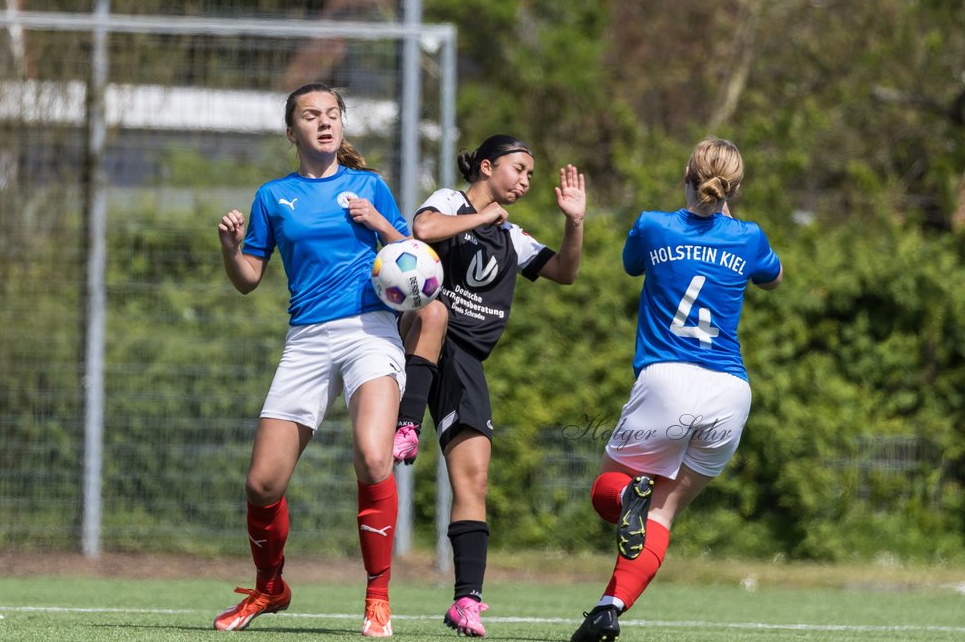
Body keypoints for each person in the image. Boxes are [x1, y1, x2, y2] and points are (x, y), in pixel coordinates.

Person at [213, 82, 409, 638]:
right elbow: (249, 280)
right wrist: (230, 249)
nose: (324, 123)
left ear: (342, 125)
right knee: (262, 484)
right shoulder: (274, 197)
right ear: (292, 131)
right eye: (310, 116)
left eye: (332, 115)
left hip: (370, 331)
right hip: (306, 339)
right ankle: (270, 586)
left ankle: (377, 597)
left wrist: (382, 225)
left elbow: (414, 260)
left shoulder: (369, 186)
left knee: (373, 459)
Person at [569, 137, 783, 642]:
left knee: (609, 495)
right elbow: (773, 279)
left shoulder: (652, 225)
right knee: (663, 511)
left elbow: (631, 265)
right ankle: (609, 607)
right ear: (735, 185)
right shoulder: (749, 237)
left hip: (667, 380)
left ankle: (628, 497)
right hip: (731, 391)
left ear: (685, 173)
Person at [390, 134, 587, 637]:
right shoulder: (452, 203)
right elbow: (424, 227)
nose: (524, 181)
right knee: (434, 310)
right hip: (420, 337)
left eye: (530, 175)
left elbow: (564, 271)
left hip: (466, 364)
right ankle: (406, 425)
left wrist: (575, 221)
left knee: (474, 479)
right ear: (485, 166)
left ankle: (466, 602)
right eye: (518, 169)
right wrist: (484, 217)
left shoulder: (511, 236)